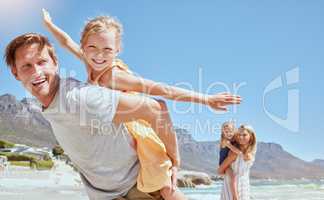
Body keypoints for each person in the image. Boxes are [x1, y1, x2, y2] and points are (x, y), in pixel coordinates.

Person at [4, 33, 241, 200]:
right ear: (15, 73)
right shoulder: (57, 100)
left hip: (140, 189)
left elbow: (157, 106)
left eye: (42, 61)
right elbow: (67, 42)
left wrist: (175, 161)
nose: (36, 71)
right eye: (26, 66)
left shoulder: (81, 97)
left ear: (55, 63)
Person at [218, 125, 257, 200]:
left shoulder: (251, 152)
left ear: (251, 136)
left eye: (244, 135)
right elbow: (220, 170)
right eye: (239, 135)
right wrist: (235, 196)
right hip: (231, 189)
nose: (241, 137)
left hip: (244, 186)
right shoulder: (234, 153)